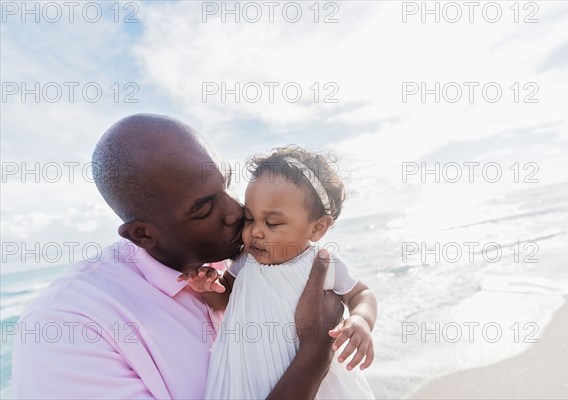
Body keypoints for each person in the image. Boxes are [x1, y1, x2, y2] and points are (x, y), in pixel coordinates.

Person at [11, 114, 343, 399]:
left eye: (227, 186)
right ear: (143, 235)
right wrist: (317, 348)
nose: (236, 213)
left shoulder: (234, 257)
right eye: (205, 208)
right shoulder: (68, 329)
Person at [181, 146, 377, 399]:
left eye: (272, 222)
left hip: (312, 382)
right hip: (245, 375)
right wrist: (209, 287)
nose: (256, 231)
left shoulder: (321, 262)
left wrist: (361, 320)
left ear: (317, 228)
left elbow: (362, 293)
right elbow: (225, 298)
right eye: (249, 219)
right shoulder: (246, 259)